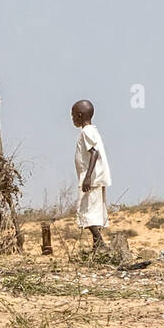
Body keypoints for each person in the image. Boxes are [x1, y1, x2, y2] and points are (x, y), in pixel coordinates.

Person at [72, 99, 111, 252]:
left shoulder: (86, 131)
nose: (72, 119)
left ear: (80, 115)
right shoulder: (92, 130)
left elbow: (94, 153)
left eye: (73, 115)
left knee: (85, 211)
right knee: (94, 211)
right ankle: (96, 246)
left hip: (91, 179)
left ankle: (100, 243)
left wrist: (87, 177)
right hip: (95, 177)